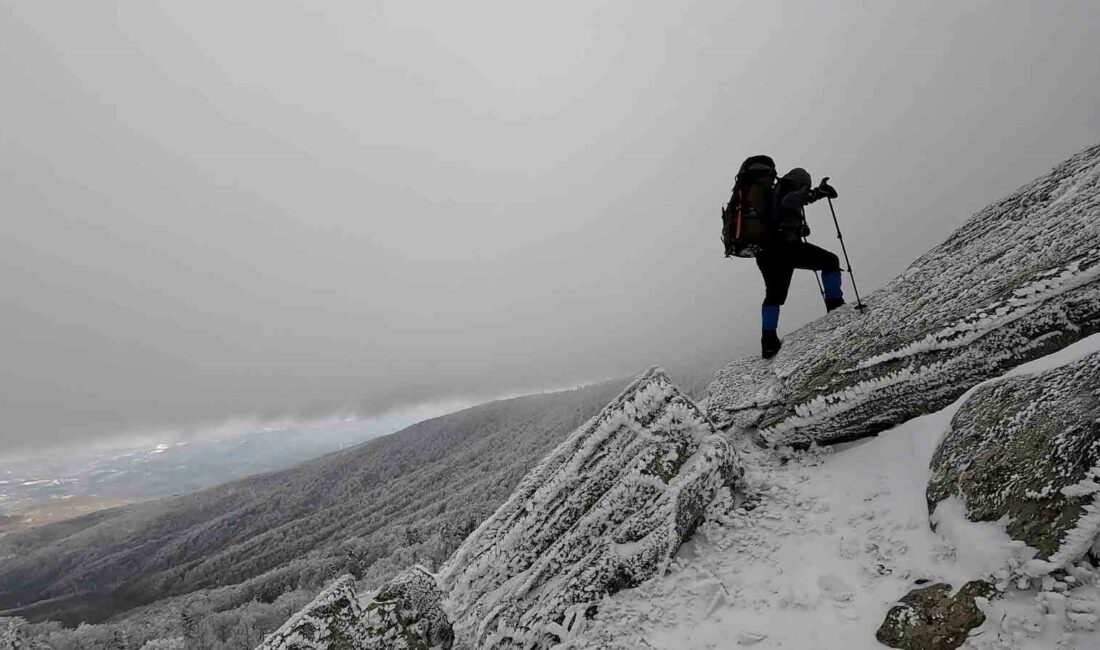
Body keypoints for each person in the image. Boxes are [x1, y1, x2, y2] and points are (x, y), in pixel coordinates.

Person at [756, 167, 844, 359]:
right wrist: (817, 193)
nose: (806, 189)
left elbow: (781, 214)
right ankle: (836, 307)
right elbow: (791, 200)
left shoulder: (772, 194)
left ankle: (768, 341)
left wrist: (799, 229)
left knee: (774, 295)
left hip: (766, 254)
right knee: (831, 261)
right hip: (785, 249)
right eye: (806, 186)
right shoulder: (787, 186)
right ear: (801, 182)